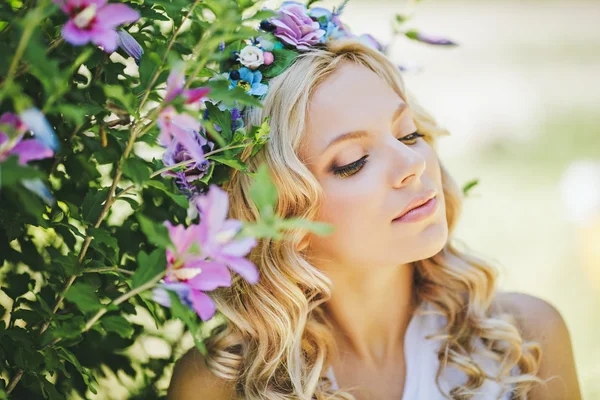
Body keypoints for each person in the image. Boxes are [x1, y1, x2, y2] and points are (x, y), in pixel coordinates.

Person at [166, 17, 581, 400]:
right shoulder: (217, 384)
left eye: (408, 134)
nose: (413, 164)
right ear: (277, 213)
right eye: (353, 162)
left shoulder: (525, 340)